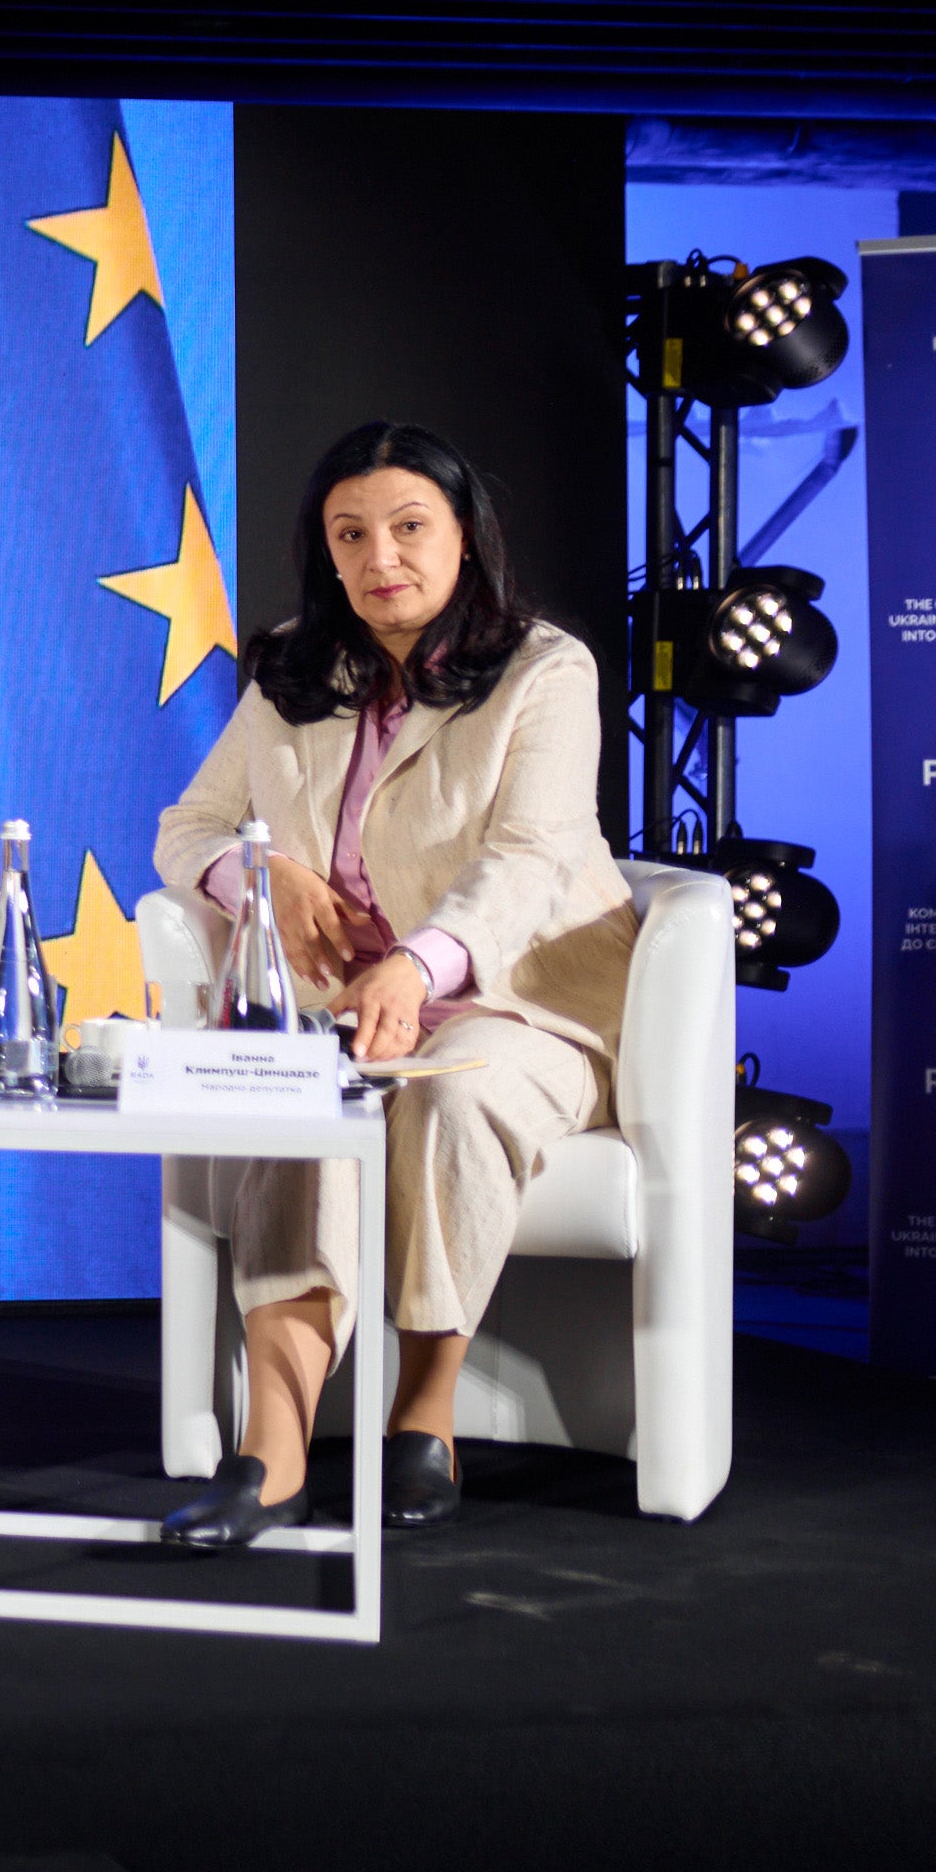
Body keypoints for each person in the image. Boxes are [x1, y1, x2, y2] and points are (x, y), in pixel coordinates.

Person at [151, 419, 637, 1548]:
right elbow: (188, 826)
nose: (383, 560)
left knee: (449, 1099)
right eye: (351, 535)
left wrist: (419, 967)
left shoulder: (543, 670)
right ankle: (269, 1454)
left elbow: (530, 856)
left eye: (410, 528)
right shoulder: (289, 666)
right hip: (343, 1009)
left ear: (463, 537)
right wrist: (251, 869)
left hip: (523, 1000)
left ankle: (425, 1414)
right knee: (291, 1102)